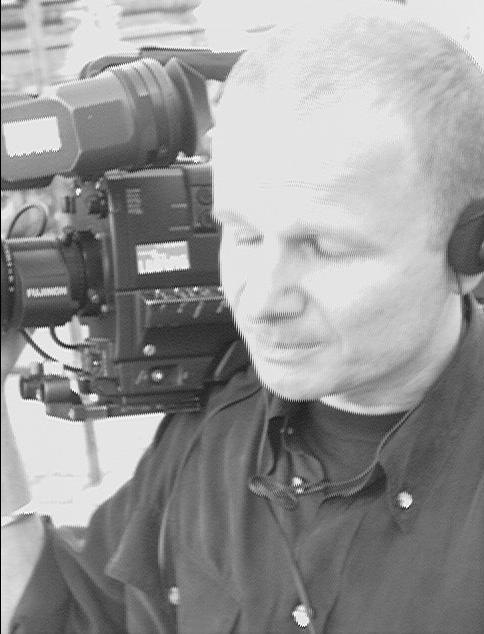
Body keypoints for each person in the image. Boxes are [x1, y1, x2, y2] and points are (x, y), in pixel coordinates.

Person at [2, 2, 484, 633]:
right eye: (242, 233)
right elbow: (72, 619)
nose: (260, 298)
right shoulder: (212, 427)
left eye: (325, 247)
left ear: (470, 250)